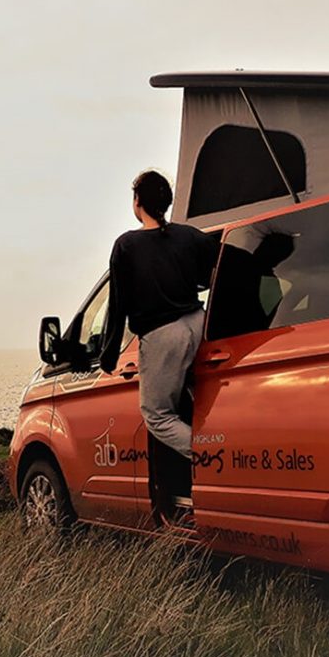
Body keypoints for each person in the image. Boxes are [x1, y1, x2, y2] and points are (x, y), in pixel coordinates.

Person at [99, 170, 220, 460]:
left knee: (158, 417)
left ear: (137, 201)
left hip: (165, 336)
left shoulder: (127, 245)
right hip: (199, 323)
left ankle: (215, 455)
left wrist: (108, 355)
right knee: (200, 397)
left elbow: (117, 305)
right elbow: (224, 263)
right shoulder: (188, 236)